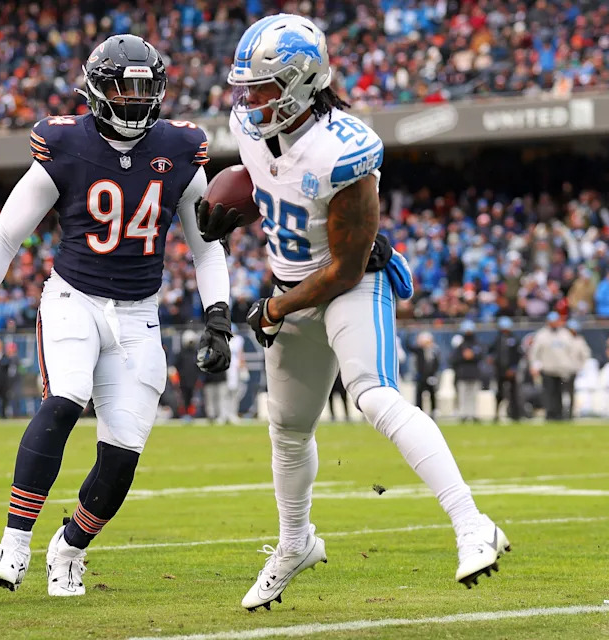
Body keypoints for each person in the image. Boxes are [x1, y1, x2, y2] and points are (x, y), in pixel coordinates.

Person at [196, 14, 508, 609]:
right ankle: (296, 543)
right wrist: (234, 197)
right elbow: (272, 181)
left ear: (300, 83)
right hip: (290, 288)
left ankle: (472, 523)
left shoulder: (346, 150)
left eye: (264, 87)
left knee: (373, 394)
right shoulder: (252, 126)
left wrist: (272, 307)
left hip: (349, 286)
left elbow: (342, 265)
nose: (250, 100)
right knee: (287, 430)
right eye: (247, 87)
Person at [0, 35, 232, 597]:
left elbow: (206, 247)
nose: (135, 100)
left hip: (139, 314)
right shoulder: (65, 144)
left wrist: (217, 317)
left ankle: (69, 546)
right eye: (124, 87)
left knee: (123, 453)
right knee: (65, 401)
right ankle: (14, 543)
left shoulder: (180, 147)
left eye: (145, 88)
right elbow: (6, 236)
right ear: (97, 89)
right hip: (74, 300)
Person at [529, 311, 570, 420]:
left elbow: (570, 351)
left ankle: (560, 414)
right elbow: (534, 352)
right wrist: (535, 366)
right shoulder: (541, 335)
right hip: (547, 369)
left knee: (560, 393)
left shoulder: (564, 334)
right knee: (548, 393)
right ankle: (550, 414)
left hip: (561, 369)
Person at [451, 321, 483, 422]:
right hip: (463, 373)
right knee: (463, 395)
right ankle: (463, 414)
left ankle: (473, 414)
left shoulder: (477, 344)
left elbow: (481, 356)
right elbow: (454, 359)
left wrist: (472, 356)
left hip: (474, 373)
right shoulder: (460, 345)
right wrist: (463, 356)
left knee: (473, 395)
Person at [490, 317, 521, 421]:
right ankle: (497, 414)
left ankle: (514, 414)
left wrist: (513, 368)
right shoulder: (497, 339)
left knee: (513, 393)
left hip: (511, 371)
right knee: (499, 393)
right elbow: (491, 352)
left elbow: (518, 355)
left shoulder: (514, 339)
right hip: (500, 370)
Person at [565, 319, 591, 420]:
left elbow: (585, 354)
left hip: (574, 369)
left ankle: (571, 413)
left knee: (572, 392)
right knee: (562, 392)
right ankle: (562, 411)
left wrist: (580, 366)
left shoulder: (579, 340)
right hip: (561, 369)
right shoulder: (562, 339)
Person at [410, 332, 441, 418]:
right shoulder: (419, 351)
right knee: (419, 395)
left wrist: (433, 375)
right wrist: (409, 334)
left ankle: (433, 412)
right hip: (421, 377)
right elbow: (409, 347)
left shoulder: (434, 351)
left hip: (431, 377)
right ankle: (419, 412)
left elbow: (436, 363)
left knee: (432, 394)